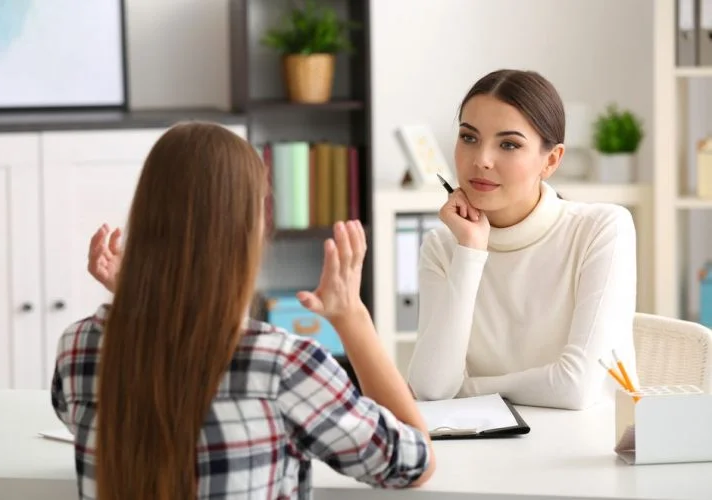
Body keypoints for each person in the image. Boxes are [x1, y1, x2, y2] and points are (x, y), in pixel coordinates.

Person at [50, 122, 435, 500]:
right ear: (250, 228)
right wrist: (351, 316)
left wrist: (137, 299)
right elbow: (414, 462)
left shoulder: (79, 348)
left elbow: (103, 415)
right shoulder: (282, 366)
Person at [407, 69, 638, 410]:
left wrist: (465, 389)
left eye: (509, 144)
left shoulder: (602, 229)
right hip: (488, 451)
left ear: (551, 160)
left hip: (587, 452)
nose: (481, 160)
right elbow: (431, 388)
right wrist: (470, 252)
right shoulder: (443, 246)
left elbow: (575, 387)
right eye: (469, 138)